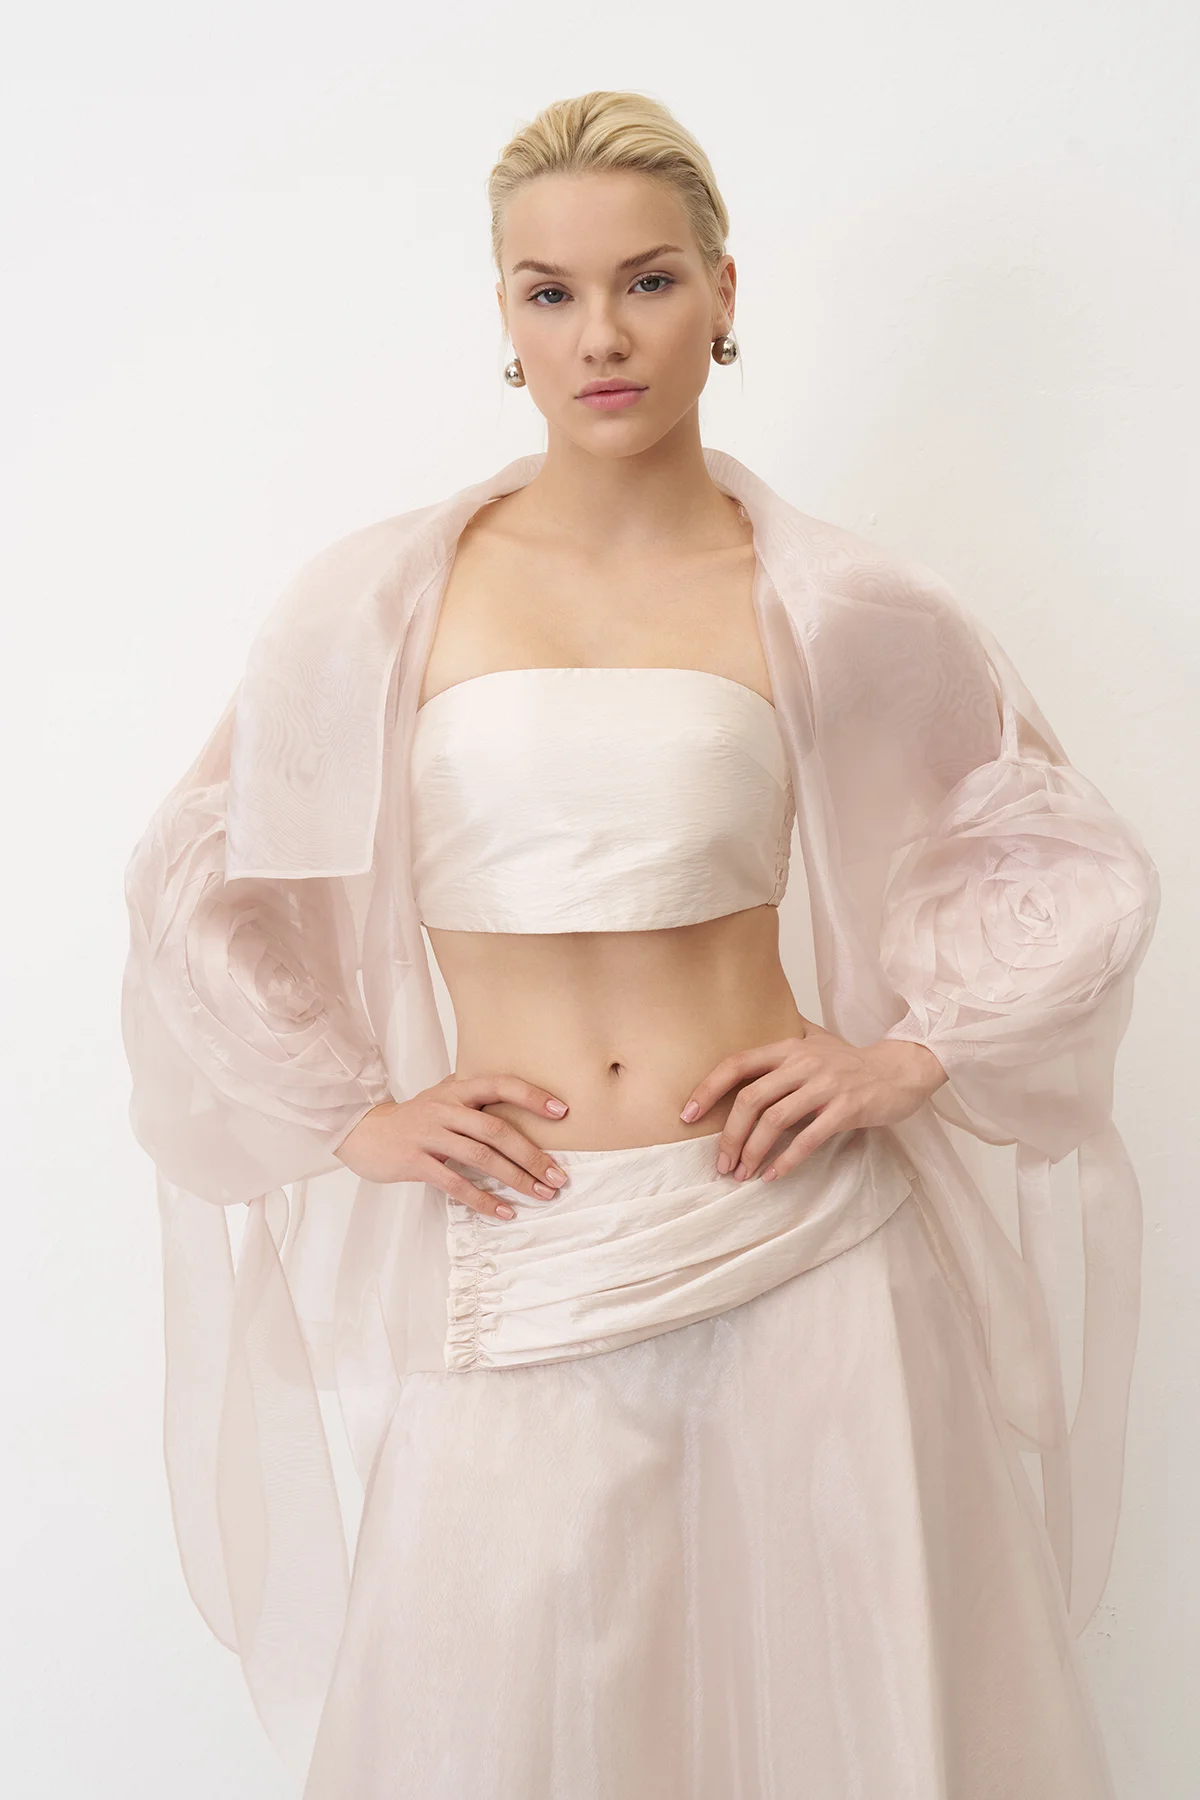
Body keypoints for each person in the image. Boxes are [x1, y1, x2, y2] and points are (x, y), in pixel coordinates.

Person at [121, 90, 1160, 1799]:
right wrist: (351, 1116)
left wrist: (913, 1052)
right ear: (505, 317)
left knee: (845, 1716)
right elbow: (203, 885)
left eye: (649, 281)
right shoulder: (377, 607)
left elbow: (1060, 856)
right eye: (551, 292)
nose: (600, 334)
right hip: (527, 1246)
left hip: (807, 1243)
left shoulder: (831, 599)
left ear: (724, 295)